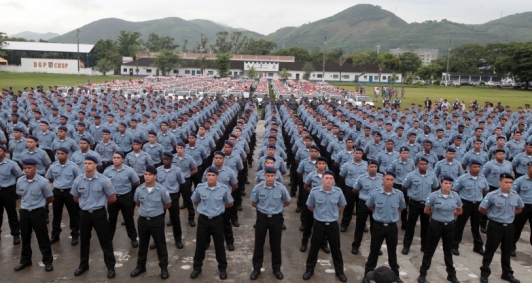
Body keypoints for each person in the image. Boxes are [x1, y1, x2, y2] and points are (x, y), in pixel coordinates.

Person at [71, 155, 117, 279]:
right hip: (84, 214)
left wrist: (99, 204)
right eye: (85, 163)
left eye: (90, 163)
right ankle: (83, 265)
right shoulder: (78, 180)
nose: (87, 165)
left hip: (99, 214)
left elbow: (112, 197)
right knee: (84, 240)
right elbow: (75, 197)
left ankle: (110, 266)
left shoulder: (103, 180)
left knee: (105, 241)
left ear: (95, 165)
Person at [302, 170, 347, 282]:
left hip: (332, 224)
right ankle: (309, 270)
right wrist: (320, 214)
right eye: (326, 178)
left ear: (334, 181)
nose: (328, 180)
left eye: (331, 179)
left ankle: (340, 272)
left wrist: (333, 213)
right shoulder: (315, 192)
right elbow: (310, 206)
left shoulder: (338, 191)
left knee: (336, 249)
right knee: (314, 248)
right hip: (319, 224)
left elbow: (342, 205)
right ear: (322, 179)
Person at [190, 166, 233, 280]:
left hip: (217, 220)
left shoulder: (223, 189)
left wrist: (218, 208)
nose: (211, 177)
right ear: (206, 176)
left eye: (213, 175)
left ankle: (222, 269)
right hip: (203, 220)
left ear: (217, 176)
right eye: (209, 175)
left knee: (219, 245)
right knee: (200, 246)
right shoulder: (200, 188)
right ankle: (197, 268)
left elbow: (229, 203)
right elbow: (195, 201)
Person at [479, 173, 523, 283]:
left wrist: (509, 215)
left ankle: (507, 273)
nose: (508, 185)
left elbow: (520, 208)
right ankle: (484, 273)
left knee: (507, 251)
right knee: (490, 250)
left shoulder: (515, 195)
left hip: (509, 227)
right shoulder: (492, 195)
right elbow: (482, 208)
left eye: (510, 183)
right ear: (500, 182)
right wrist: (492, 215)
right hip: (495, 226)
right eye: (506, 182)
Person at [417, 175, 462, 283]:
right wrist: (438, 215)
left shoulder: (455, 196)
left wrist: (450, 214)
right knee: (429, 250)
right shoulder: (433, 196)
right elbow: (426, 210)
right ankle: (422, 274)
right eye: (445, 183)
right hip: (436, 225)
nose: (448, 185)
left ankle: (451, 275)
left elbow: (460, 211)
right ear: (441, 184)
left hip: (450, 226)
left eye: (450, 184)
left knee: (448, 251)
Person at [363, 171, 406, 283]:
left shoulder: (399, 194)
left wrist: (391, 216)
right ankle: (367, 275)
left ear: (394, 181)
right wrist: (379, 215)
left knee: (392, 251)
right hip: (378, 226)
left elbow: (401, 208)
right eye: (387, 179)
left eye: (391, 180)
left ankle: (395, 276)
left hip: (392, 227)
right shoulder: (375, 194)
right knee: (374, 251)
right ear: (383, 180)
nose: (389, 182)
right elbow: (370, 206)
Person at [130, 166, 171, 280]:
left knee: (160, 245)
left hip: (156, 220)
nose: (147, 176)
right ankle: (140, 266)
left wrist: (156, 212)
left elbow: (167, 204)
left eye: (150, 174)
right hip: (143, 220)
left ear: (155, 176)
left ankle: (163, 268)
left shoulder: (162, 189)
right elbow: (138, 203)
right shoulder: (139, 189)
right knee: (142, 245)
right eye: (145, 174)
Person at [249, 167, 290, 280]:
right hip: (262, 218)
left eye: (272, 176)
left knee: (276, 244)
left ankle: (276, 269)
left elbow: (287, 201)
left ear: (276, 176)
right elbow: (254, 203)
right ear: (264, 176)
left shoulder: (281, 188)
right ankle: (256, 269)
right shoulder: (258, 188)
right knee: (259, 244)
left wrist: (277, 209)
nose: (270, 178)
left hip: (276, 219)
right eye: (268, 175)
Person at [14, 158, 54, 272]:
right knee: (25, 237)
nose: (27, 170)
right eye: (25, 168)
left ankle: (47, 261)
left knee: (42, 237)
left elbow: (50, 198)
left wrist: (38, 205)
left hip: (38, 212)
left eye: (29, 168)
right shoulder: (20, 181)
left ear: (35, 167)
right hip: (24, 212)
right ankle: (25, 260)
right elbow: (20, 196)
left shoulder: (43, 182)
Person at [401, 157, 439, 255]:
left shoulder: (432, 176)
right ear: (418, 164)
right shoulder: (411, 175)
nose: (423, 166)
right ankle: (406, 246)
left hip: (426, 204)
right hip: (414, 203)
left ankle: (424, 246)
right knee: (410, 225)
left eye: (425, 164)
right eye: (421, 164)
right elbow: (404, 187)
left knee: (425, 226)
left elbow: (434, 188)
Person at [451, 159, 489, 256]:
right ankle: (454, 245)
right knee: (460, 225)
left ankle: (478, 246)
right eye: (474, 167)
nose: (477, 169)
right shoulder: (462, 178)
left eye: (478, 167)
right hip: (465, 203)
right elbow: (455, 190)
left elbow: (485, 191)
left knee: (476, 226)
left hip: (477, 204)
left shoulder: (483, 178)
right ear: (469, 168)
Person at [45, 147, 81, 246]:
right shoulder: (53, 166)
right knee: (56, 214)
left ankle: (75, 235)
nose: (60, 155)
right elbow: (51, 178)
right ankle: (55, 235)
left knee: (73, 214)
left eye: (62, 154)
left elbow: (78, 179)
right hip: (57, 192)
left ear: (67, 155)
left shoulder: (73, 166)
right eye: (58, 153)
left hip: (69, 192)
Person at [104, 151, 140, 247]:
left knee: (128, 219)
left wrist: (127, 189)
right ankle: (109, 239)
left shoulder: (129, 171)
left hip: (125, 197)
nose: (115, 159)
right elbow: (103, 184)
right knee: (111, 219)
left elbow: (136, 182)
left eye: (118, 158)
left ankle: (133, 238)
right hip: (113, 197)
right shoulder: (107, 171)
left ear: (122, 160)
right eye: (114, 158)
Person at [156, 151, 185, 249]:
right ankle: (157, 241)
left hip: (173, 196)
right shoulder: (158, 170)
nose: (165, 161)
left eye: (167, 159)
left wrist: (176, 195)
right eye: (164, 159)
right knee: (159, 220)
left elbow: (181, 183)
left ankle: (178, 240)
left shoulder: (177, 170)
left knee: (175, 219)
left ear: (171, 160)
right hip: (161, 197)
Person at [0, 144, 24, 245]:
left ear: (5, 152)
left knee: (11, 213)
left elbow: (20, 177)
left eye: (0, 150)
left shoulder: (12, 164)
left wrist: (18, 191)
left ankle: (15, 234)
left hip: (8, 191)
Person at [511, 161, 532, 256]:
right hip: (523, 207)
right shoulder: (520, 180)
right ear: (528, 168)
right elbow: (513, 194)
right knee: (517, 228)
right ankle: (511, 247)